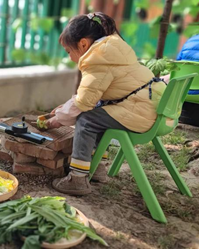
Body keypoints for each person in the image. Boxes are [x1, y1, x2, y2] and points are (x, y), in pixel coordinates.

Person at [43, 13, 166, 195]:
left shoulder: (97, 57)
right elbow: (92, 95)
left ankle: (77, 178)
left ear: (83, 44)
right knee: (99, 113)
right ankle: (96, 166)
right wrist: (66, 107)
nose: (69, 58)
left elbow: (84, 102)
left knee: (86, 120)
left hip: (140, 113)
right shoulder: (112, 49)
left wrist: (59, 119)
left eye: (69, 51)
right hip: (151, 109)